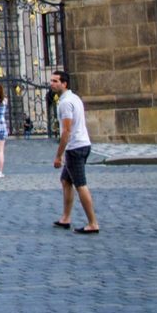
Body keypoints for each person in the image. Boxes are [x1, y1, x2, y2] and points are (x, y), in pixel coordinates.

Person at [51, 71, 99, 234]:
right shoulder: (74, 98)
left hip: (75, 147)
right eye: (52, 81)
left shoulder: (65, 103)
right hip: (83, 144)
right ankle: (65, 218)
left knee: (80, 184)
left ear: (64, 83)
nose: (52, 83)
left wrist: (59, 155)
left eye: (55, 81)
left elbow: (66, 131)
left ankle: (92, 223)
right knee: (66, 180)